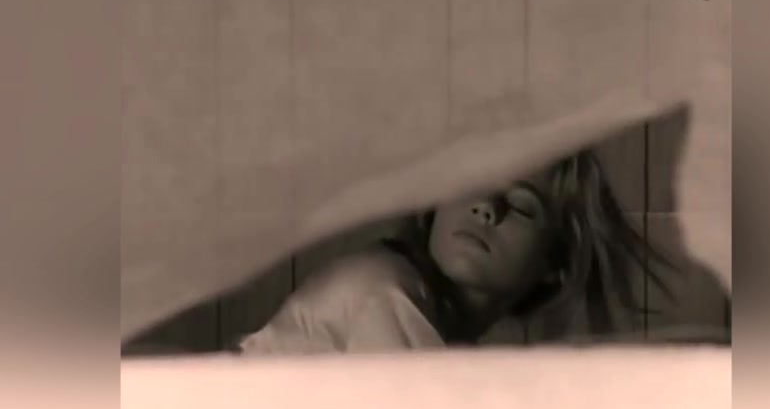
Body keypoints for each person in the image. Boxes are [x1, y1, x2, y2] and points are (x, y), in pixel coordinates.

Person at [238, 149, 675, 355]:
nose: (486, 206)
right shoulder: (383, 291)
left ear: (555, 264)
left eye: (522, 205)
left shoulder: (431, 322)